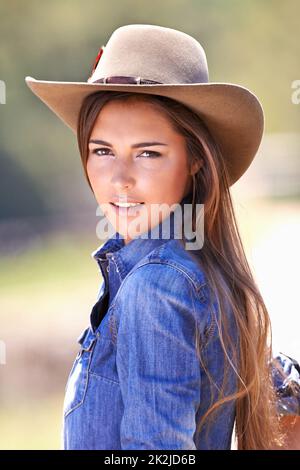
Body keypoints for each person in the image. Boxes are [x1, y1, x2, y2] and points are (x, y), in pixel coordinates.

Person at [25, 24, 299, 450]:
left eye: (148, 153)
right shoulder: (194, 269)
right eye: (102, 151)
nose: (120, 179)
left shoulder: (157, 286)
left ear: (194, 160)